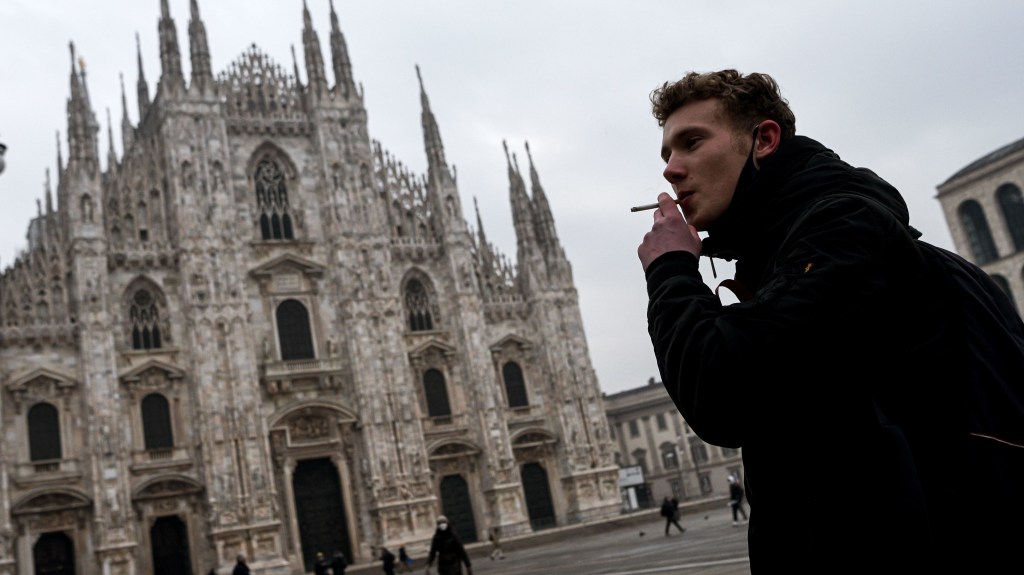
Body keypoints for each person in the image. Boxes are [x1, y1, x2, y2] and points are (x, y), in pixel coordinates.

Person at [638, 69, 1024, 573]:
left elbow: (720, 394)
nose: (671, 169)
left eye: (691, 143)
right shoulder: (786, 250)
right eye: (666, 154)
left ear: (765, 139)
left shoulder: (843, 229)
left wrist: (670, 269)